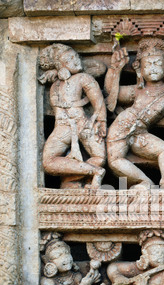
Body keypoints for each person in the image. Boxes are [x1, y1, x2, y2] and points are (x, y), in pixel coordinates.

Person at [104, 38, 164, 190]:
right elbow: (112, 94)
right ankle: (144, 181)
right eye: (148, 65)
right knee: (114, 160)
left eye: (157, 63)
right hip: (122, 125)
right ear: (140, 70)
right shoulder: (138, 90)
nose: (153, 68)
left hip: (140, 133)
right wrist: (114, 69)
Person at [39, 43, 107, 189]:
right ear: (61, 65)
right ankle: (94, 172)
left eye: (75, 56)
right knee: (48, 162)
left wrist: (101, 120)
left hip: (83, 123)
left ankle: (75, 180)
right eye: (69, 59)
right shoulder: (54, 86)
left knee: (100, 157)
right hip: (63, 127)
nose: (75, 60)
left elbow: (98, 101)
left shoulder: (83, 78)